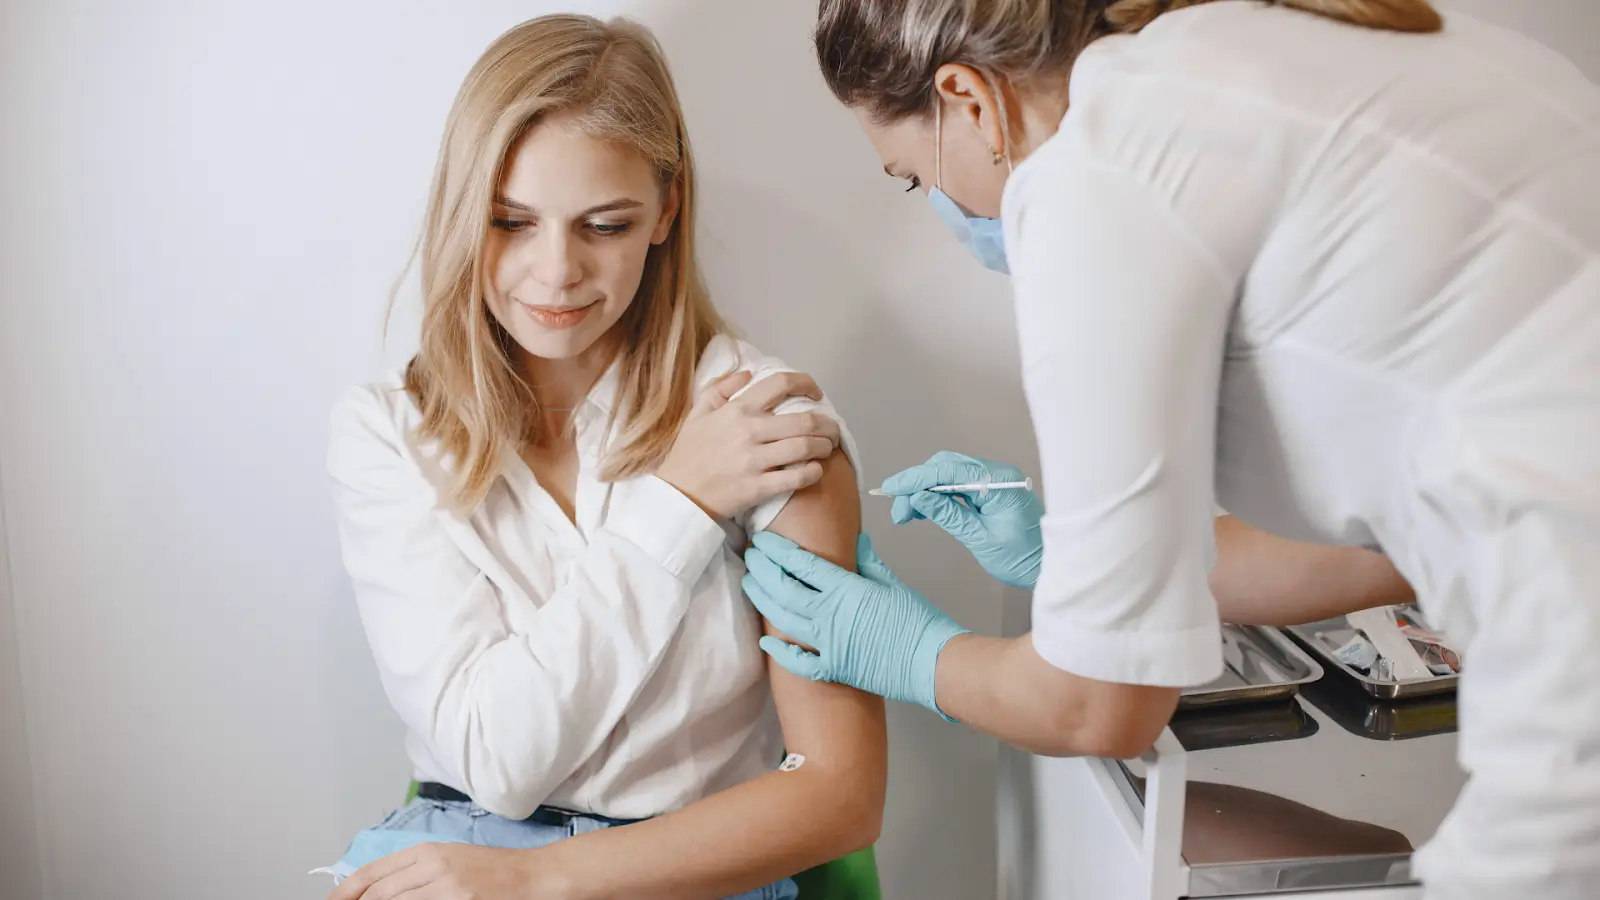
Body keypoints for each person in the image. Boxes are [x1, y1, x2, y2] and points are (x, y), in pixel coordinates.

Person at [742, 1, 1600, 898]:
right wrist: (1071, 558)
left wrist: (908, 650)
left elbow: (1099, 706)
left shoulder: (1098, 172)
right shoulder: (1293, 53)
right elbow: (1390, 539)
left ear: (968, 101)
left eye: (914, 178)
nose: (940, 210)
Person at [321, 14, 885, 900]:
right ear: (466, 210)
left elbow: (838, 797)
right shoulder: (388, 433)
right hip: (464, 853)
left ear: (667, 209)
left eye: (605, 226)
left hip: (691, 875)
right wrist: (680, 503)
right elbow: (493, 762)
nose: (555, 274)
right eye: (512, 222)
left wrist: (537, 881)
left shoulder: (765, 419)